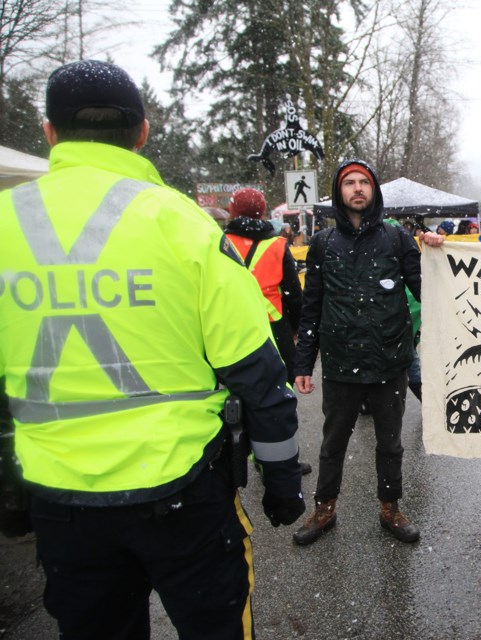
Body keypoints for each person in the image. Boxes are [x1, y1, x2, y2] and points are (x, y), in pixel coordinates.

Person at [0, 60, 305, 639]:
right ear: (142, 132)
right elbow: (257, 371)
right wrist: (282, 476)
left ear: (49, 131)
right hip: (182, 492)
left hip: (62, 503)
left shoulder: (4, 221)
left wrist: (11, 488)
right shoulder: (183, 224)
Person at [292, 160, 427, 545]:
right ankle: (324, 509)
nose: (356, 189)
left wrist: (437, 252)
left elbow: (427, 289)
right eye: (349, 182)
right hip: (340, 363)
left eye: (363, 182)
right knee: (333, 443)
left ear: (373, 190)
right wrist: (304, 362)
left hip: (389, 362)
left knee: (390, 443)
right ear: (339, 192)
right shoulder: (322, 243)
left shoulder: (397, 239)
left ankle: (390, 509)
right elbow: (311, 306)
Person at [224, 187, 303, 385]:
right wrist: (296, 326)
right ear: (262, 212)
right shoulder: (277, 245)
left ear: (233, 212)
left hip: (233, 326)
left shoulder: (220, 244)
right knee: (281, 384)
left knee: (241, 385)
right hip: (274, 326)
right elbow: (293, 293)